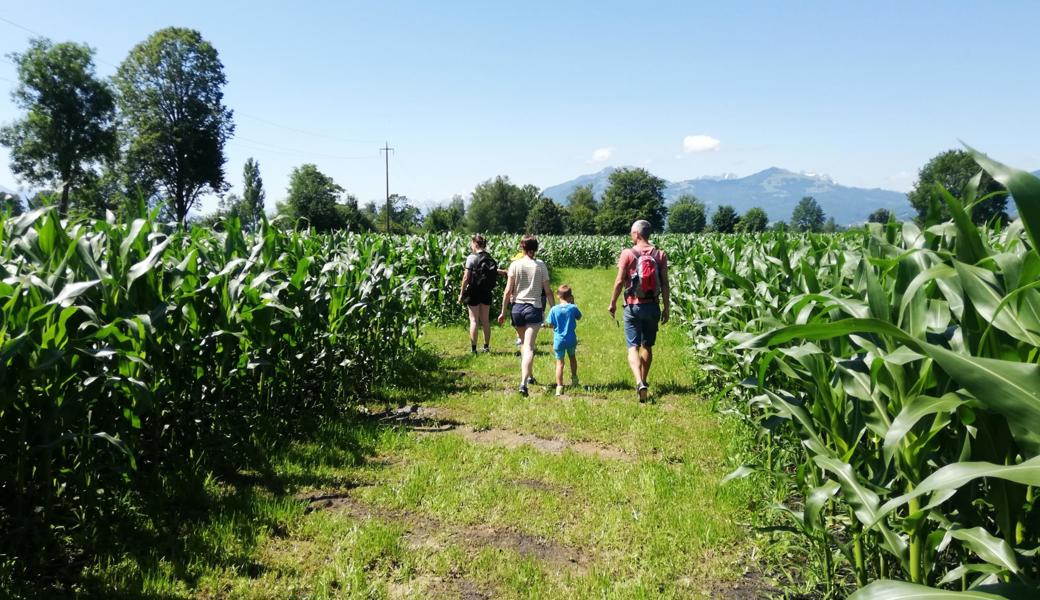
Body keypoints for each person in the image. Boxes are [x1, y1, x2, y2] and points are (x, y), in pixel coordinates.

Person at [608, 219, 670, 402]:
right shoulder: (660, 254)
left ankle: (638, 381)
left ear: (637, 234)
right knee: (647, 346)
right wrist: (666, 307)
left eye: (631, 232)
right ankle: (644, 379)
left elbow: (620, 281)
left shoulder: (628, 253)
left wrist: (612, 302)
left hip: (633, 306)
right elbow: (665, 284)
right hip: (652, 305)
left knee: (632, 347)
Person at [498, 235, 554, 396]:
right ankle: (523, 383)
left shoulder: (515, 265)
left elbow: (508, 291)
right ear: (535, 248)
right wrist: (554, 310)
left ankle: (529, 377)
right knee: (529, 347)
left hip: (517, 309)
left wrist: (503, 312)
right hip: (534, 308)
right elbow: (548, 291)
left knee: (523, 345)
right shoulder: (540, 265)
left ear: (522, 248)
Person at [458, 234, 498, 354]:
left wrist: (461, 293)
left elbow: (466, 277)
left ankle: (474, 349)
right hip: (486, 291)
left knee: (474, 320)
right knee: (485, 320)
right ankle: (486, 347)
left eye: (471, 243)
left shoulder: (471, 257)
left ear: (475, 244)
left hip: (473, 291)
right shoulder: (489, 257)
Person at [546, 284, 582, 396]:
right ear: (570, 296)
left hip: (558, 340)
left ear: (558, 295)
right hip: (571, 339)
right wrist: (573, 303)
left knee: (560, 363)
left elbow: (550, 324)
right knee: (572, 358)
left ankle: (559, 386)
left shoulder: (554, 309)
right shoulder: (573, 308)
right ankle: (575, 379)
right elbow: (579, 317)